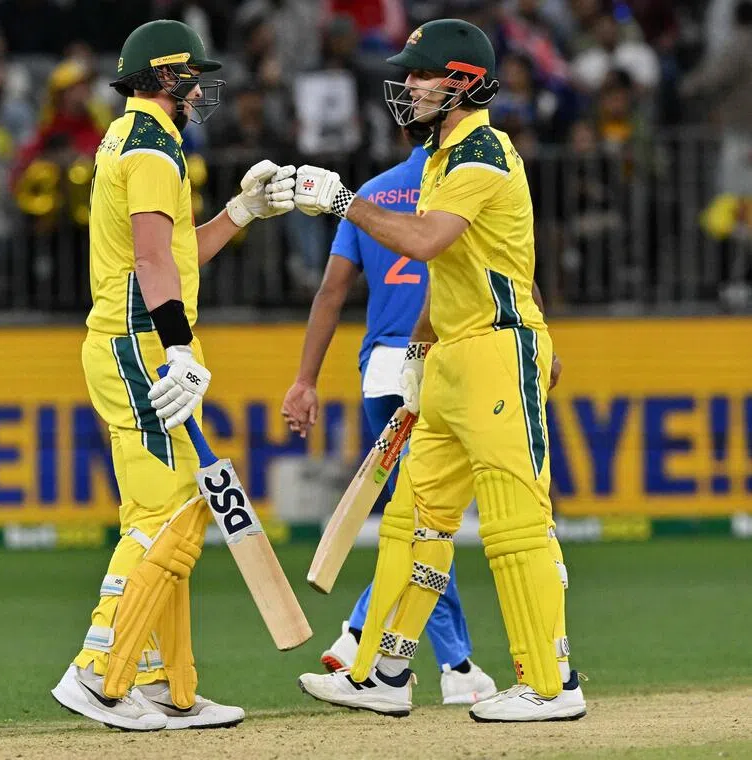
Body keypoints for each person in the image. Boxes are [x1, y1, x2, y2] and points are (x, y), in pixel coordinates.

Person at [291, 19, 585, 722]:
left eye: (422, 75)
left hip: (498, 348)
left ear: (460, 83)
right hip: (452, 356)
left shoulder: (483, 154)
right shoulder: (437, 161)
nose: (409, 86)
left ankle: (551, 685)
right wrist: (420, 357)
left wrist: (340, 202)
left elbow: (425, 244)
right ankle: (382, 672)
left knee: (516, 525)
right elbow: (448, 279)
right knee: (414, 520)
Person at [50, 19, 296, 732]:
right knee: (171, 515)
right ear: (166, 78)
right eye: (191, 78)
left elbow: (177, 251)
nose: (199, 91)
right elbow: (153, 264)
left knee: (164, 510)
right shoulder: (153, 145)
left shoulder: (133, 138)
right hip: (139, 346)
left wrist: (242, 211)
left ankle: (163, 682)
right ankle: (99, 672)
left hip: (129, 339)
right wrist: (180, 349)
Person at [280, 125, 498, 707]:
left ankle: (445, 663)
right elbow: (504, 273)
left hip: (382, 369)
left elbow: (330, 293)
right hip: (446, 361)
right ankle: (371, 640)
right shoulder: (464, 183)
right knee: (428, 519)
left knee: (420, 516)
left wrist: (305, 379)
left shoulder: (374, 192)